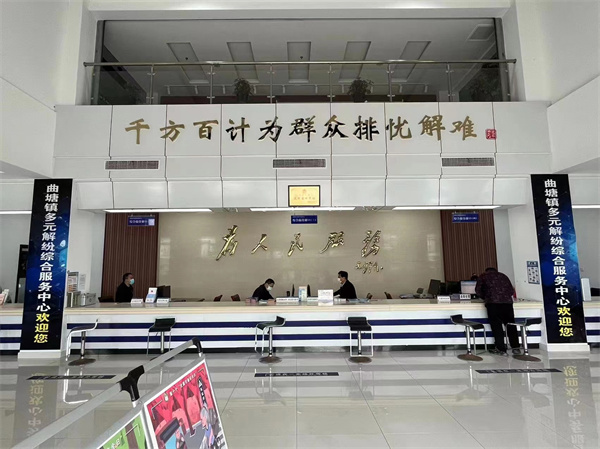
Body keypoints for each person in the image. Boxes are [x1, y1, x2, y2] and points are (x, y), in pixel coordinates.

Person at [475, 267, 520, 356]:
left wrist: (486, 297)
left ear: (486, 271)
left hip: (493, 304)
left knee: (497, 326)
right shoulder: (503, 276)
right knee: (511, 325)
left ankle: (501, 349)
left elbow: (478, 291)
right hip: (507, 304)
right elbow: (511, 291)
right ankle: (516, 348)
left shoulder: (483, 276)